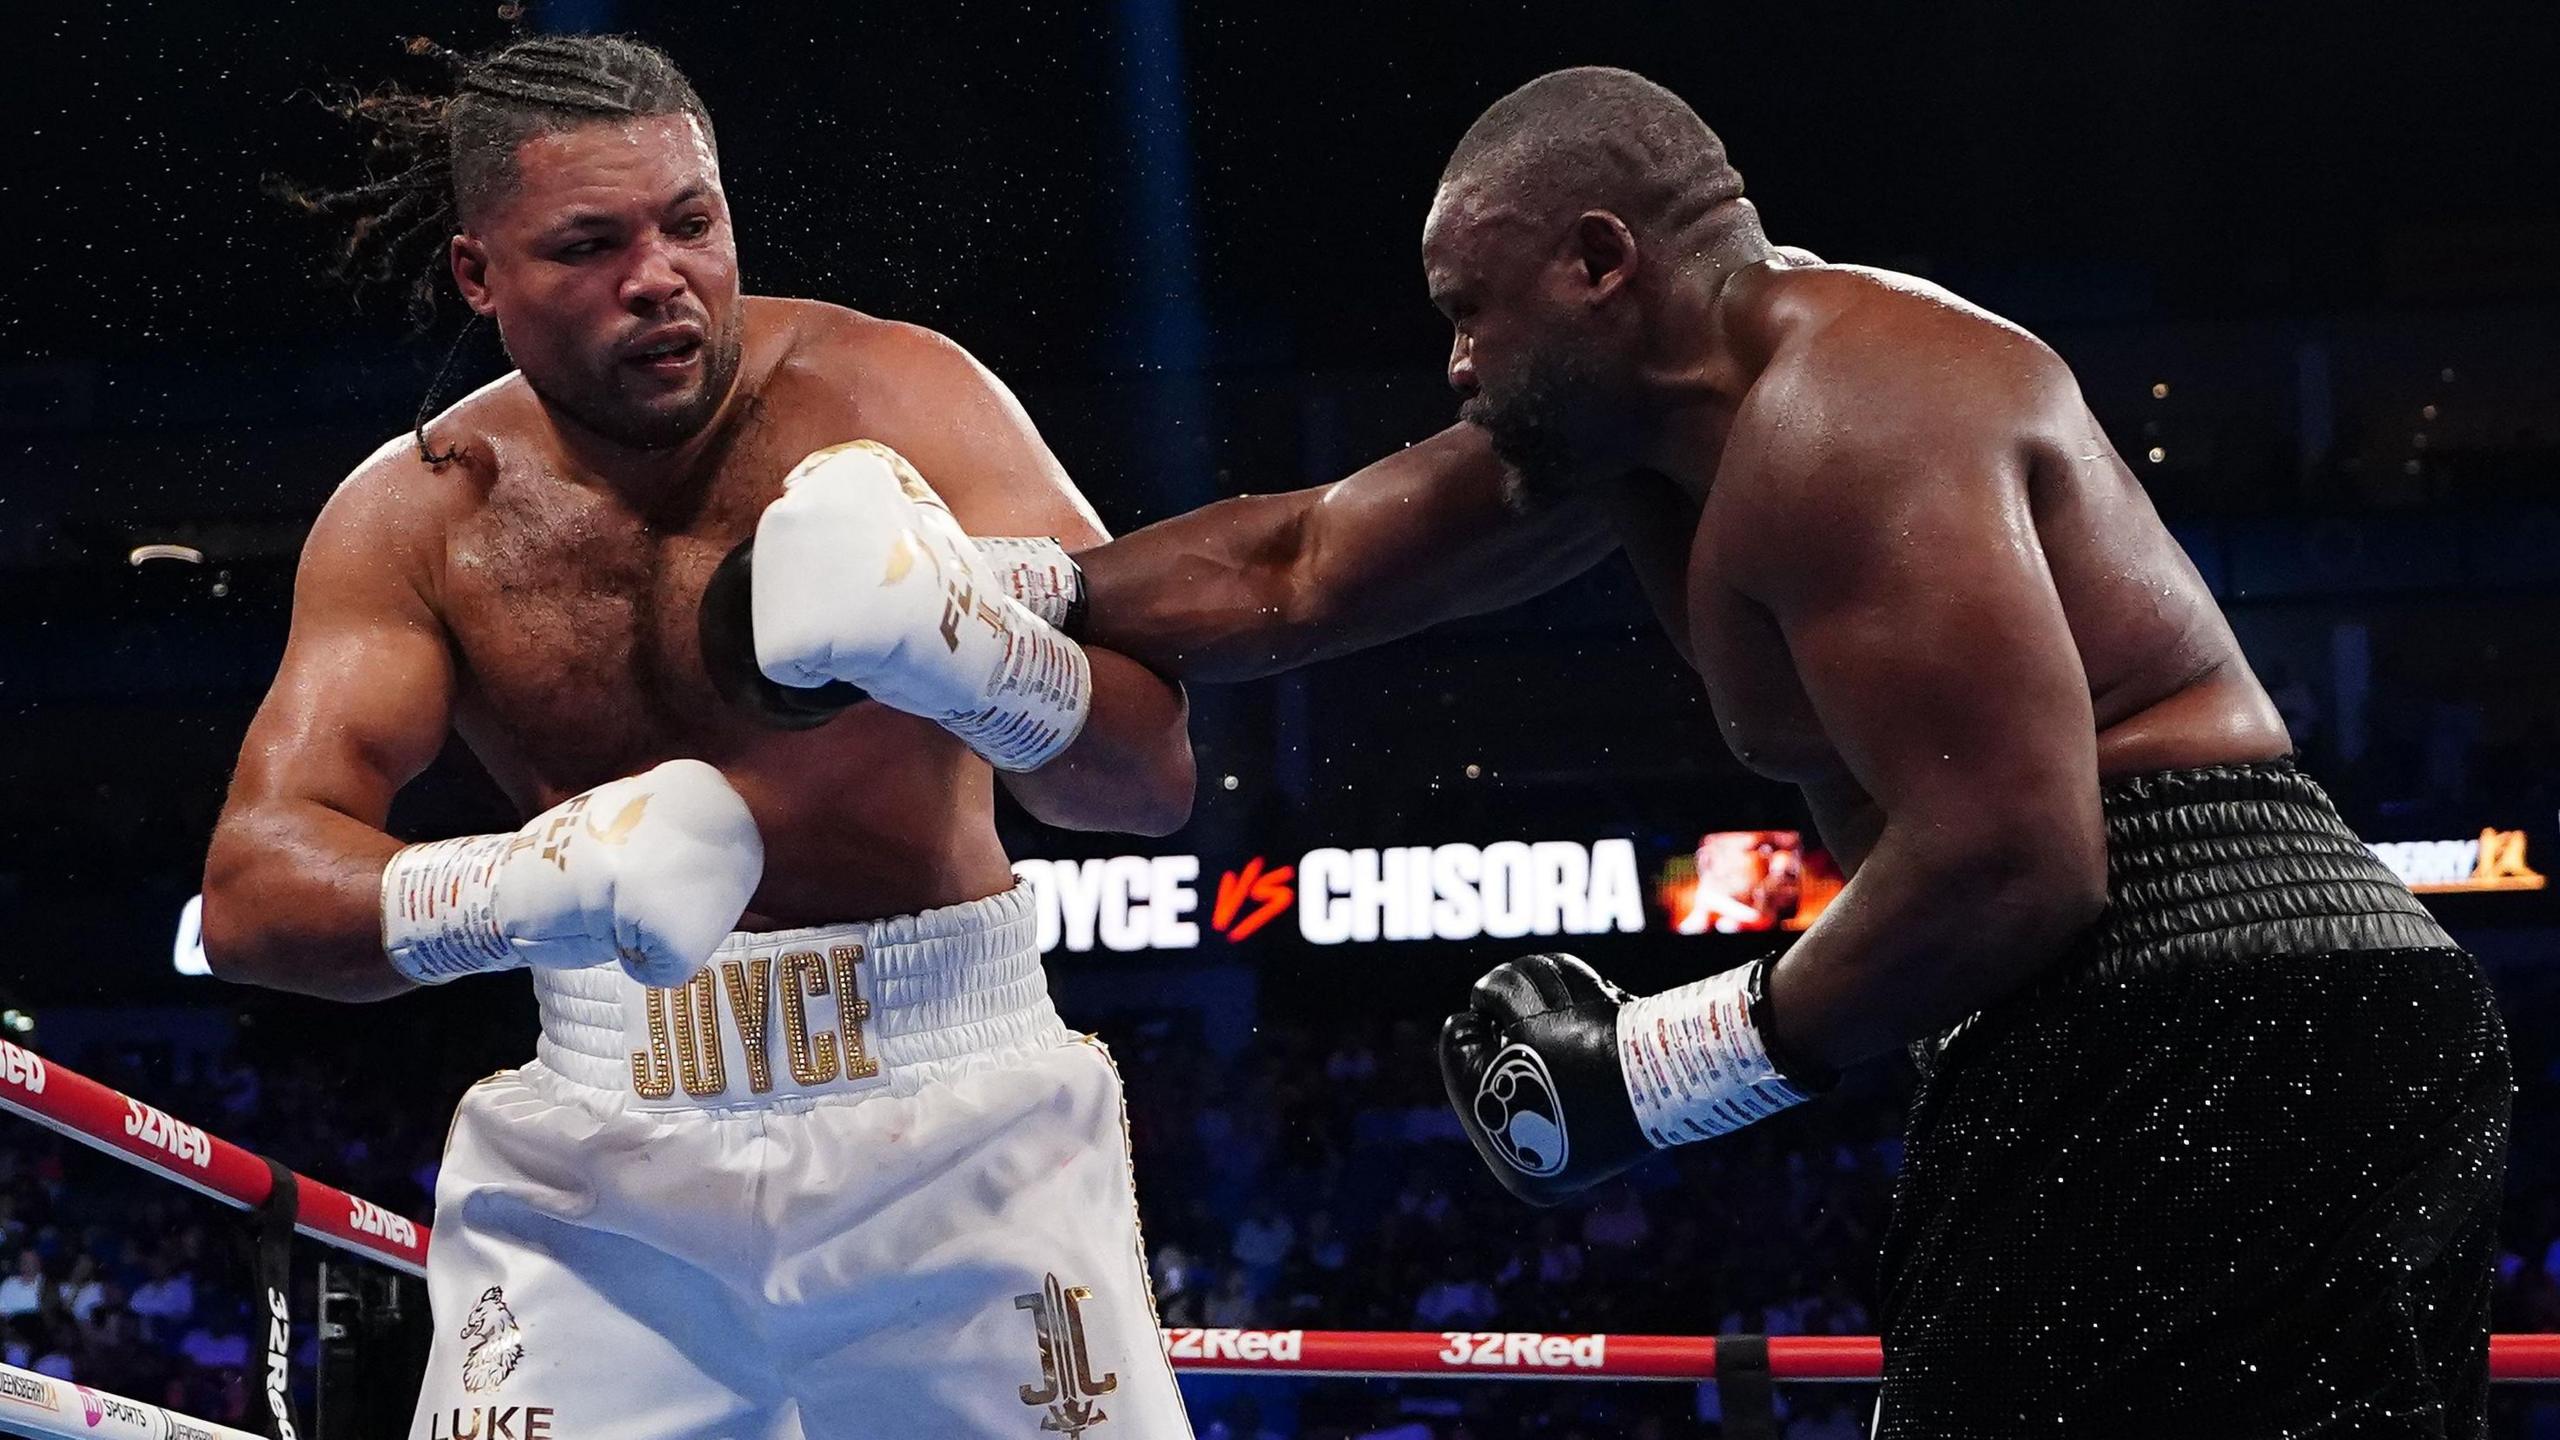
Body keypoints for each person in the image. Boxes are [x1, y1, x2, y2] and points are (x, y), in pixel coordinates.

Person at [1036, 67, 2508, 1438]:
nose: (1460, 366)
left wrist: (1656, 1072)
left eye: (1471, 311)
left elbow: (2015, 853)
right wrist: (996, 592)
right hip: (2199, 1013)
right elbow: (1304, 563)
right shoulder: (1646, 437)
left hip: (2204, 1000)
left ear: (1601, 263)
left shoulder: (1848, 412)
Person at [205, 34, 1197, 1439]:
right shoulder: (419, 514)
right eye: (590, 245)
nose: (658, 276)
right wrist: (521, 886)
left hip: (959, 1122)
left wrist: (974, 657)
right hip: (602, 1166)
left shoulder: (902, 400)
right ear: (480, 276)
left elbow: (1152, 780)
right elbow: (252, 892)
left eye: (691, 222)